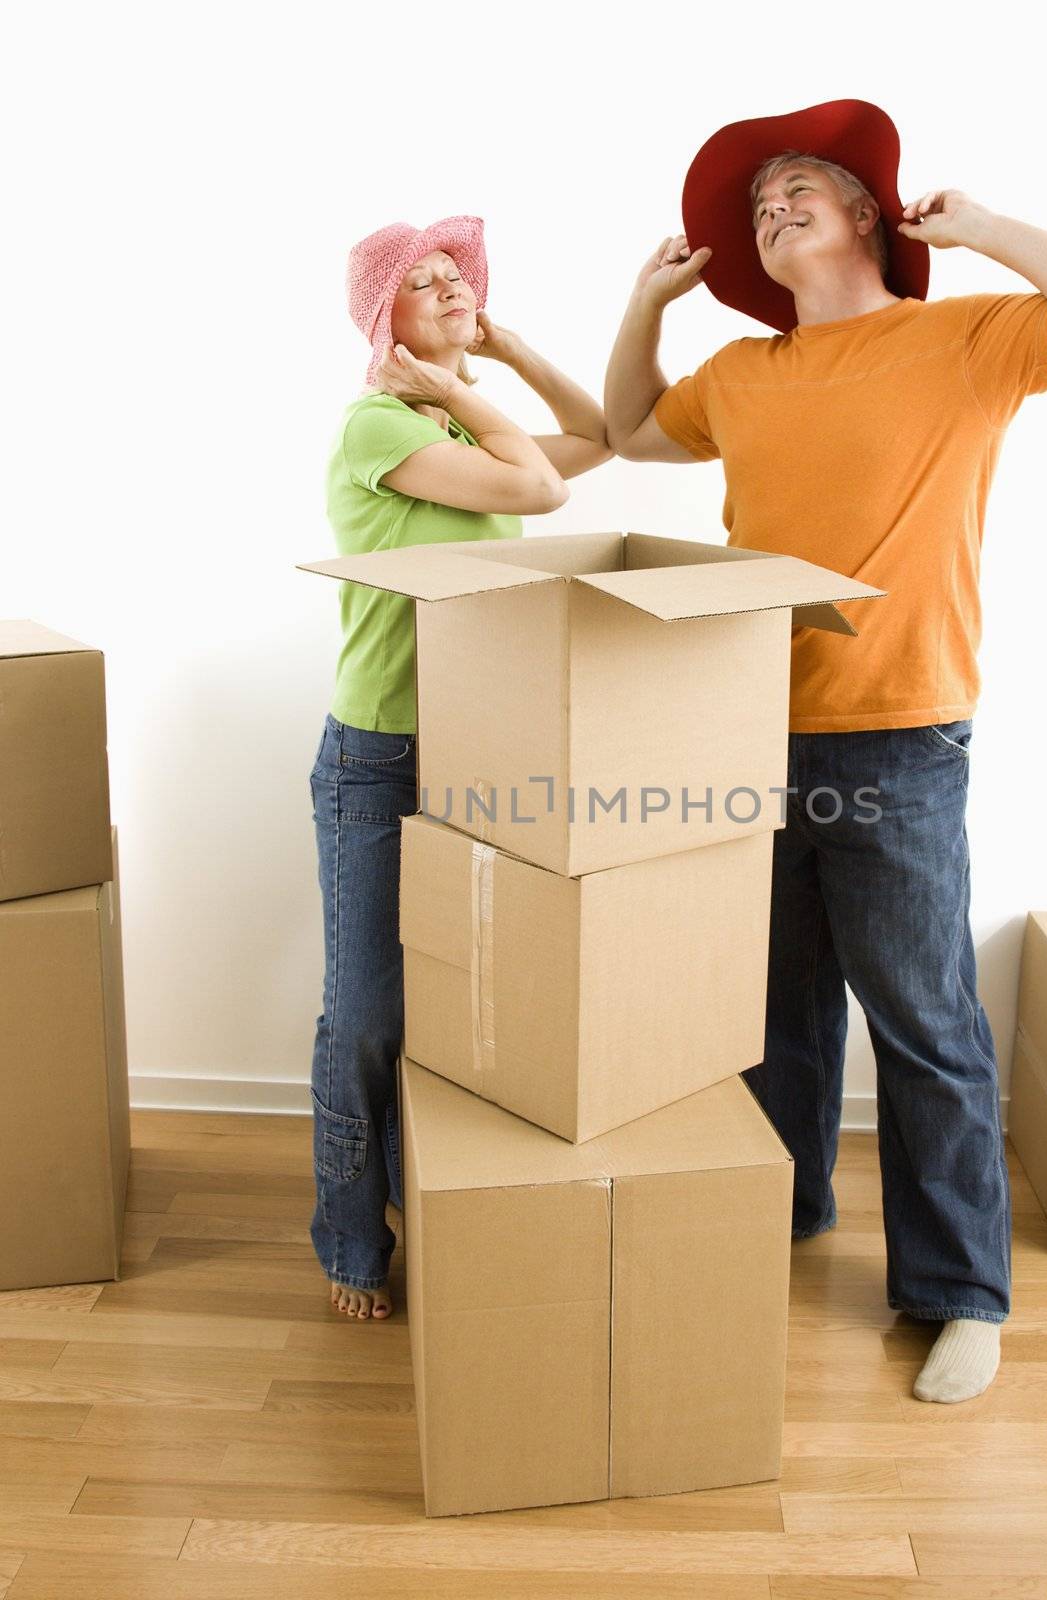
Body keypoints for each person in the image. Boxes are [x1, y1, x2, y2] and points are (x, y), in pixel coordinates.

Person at [603, 100, 1047, 1401]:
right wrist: (647, 306)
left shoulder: (959, 337)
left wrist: (979, 232)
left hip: (901, 736)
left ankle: (959, 1291)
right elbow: (629, 431)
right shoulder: (741, 374)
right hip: (747, 728)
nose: (768, 206)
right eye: (755, 204)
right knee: (774, 1013)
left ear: (866, 211)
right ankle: (786, 1209)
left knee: (920, 1019)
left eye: (797, 184)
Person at [312, 216, 611, 1321]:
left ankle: (440, 1207)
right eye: (420, 281)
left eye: (457, 277)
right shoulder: (375, 426)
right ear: (379, 321)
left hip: (482, 753)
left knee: (460, 1009)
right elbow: (543, 490)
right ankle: (349, 1235)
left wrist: (512, 356)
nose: (447, 286)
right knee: (368, 1011)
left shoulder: (480, 431)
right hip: (382, 756)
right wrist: (459, 390)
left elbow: (600, 433)